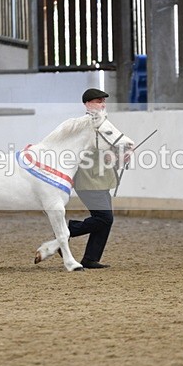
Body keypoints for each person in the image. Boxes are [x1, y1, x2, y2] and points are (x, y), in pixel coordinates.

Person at [67, 88, 119, 269]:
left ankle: (90, 258)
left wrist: (115, 155)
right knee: (105, 218)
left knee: (104, 220)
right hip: (88, 179)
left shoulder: (104, 124)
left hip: (102, 179)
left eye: (103, 101)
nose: (103, 104)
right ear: (88, 104)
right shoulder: (82, 126)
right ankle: (65, 232)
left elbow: (110, 146)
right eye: (98, 101)